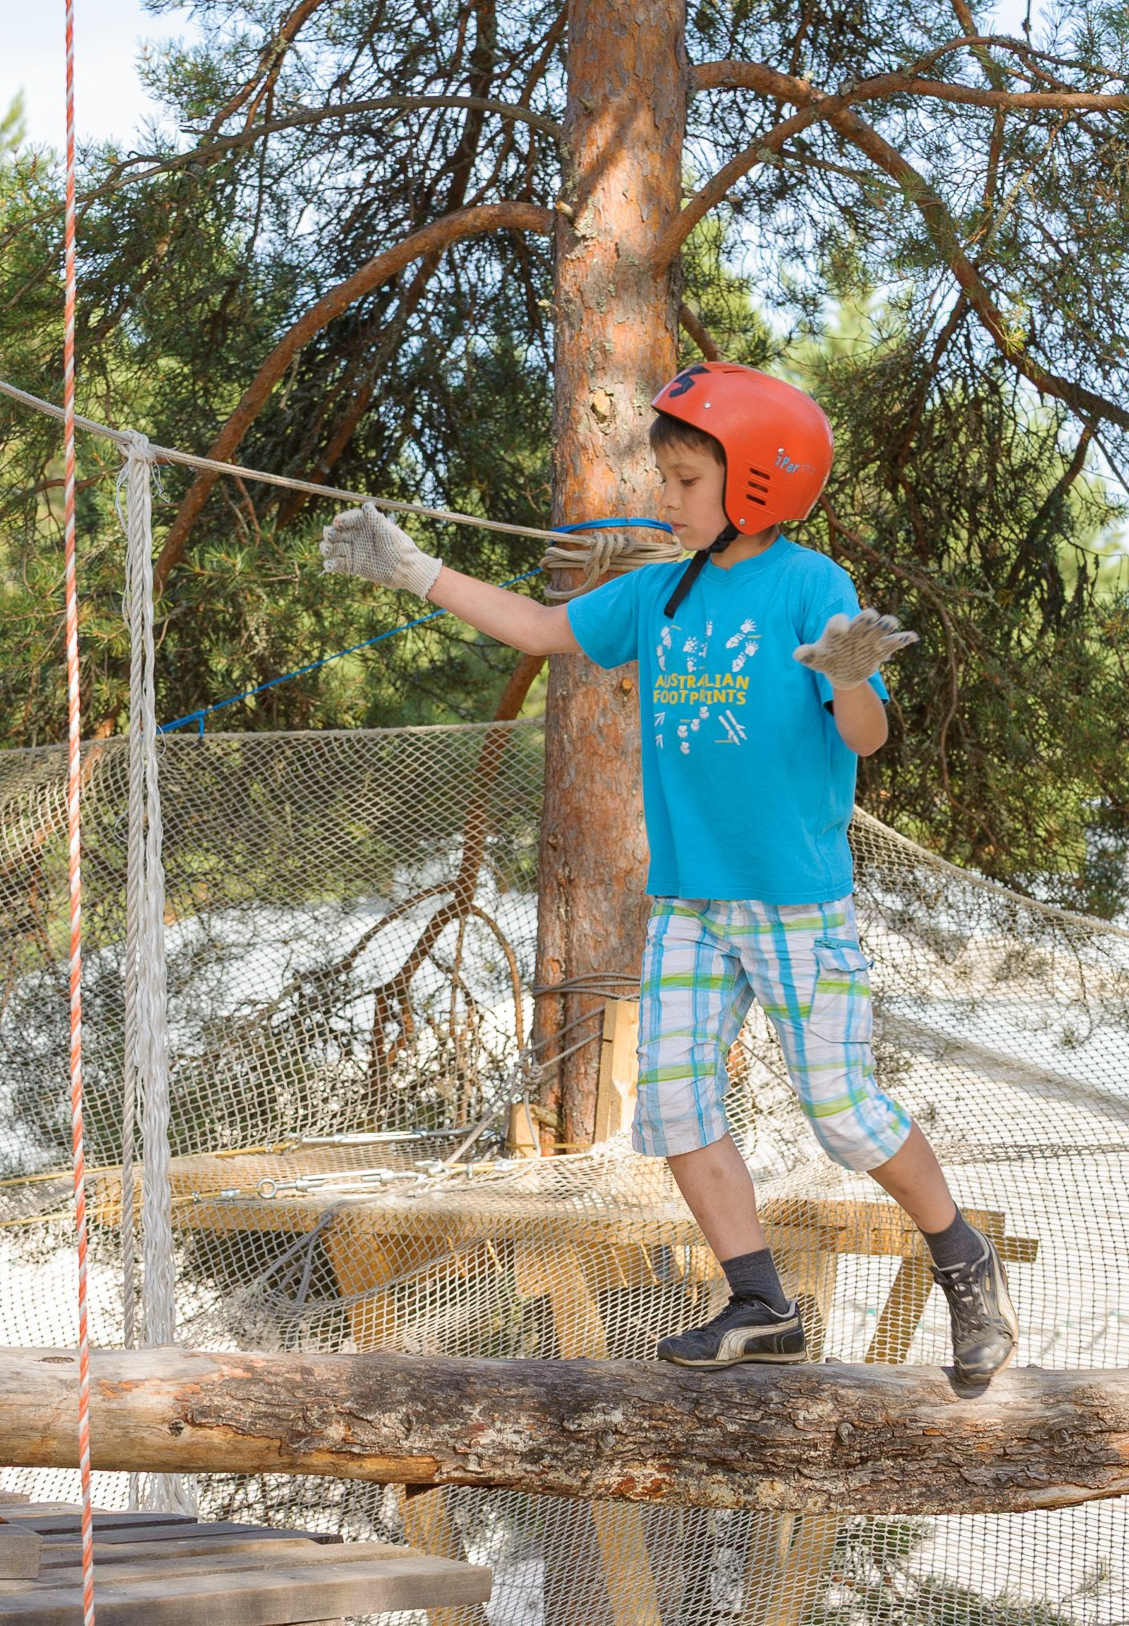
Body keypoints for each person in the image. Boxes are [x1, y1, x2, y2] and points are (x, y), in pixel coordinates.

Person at [318, 362, 1018, 1385]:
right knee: (674, 1102)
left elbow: (862, 739)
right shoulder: (660, 590)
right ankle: (759, 1299)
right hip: (689, 901)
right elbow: (541, 628)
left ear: (760, 484)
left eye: (686, 480)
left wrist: (852, 675)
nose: (666, 500)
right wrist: (412, 568)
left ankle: (963, 1258)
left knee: (842, 1112)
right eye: (668, 478)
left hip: (794, 905)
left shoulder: (810, 587)